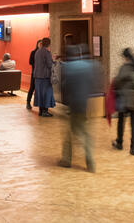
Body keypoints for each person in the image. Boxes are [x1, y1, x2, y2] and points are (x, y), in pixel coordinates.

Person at [59, 44, 100, 172]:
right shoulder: (89, 65)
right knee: (82, 131)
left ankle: (68, 160)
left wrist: (65, 104)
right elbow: (94, 83)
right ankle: (86, 160)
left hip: (74, 104)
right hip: (86, 103)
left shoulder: (67, 68)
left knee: (74, 132)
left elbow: (64, 88)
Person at [112, 48, 134, 156]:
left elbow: (117, 82)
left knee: (121, 121)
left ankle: (119, 142)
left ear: (125, 57)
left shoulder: (124, 68)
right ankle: (133, 148)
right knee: (133, 124)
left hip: (123, 98)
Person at [33, 37, 56, 117]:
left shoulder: (37, 52)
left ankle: (40, 111)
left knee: (39, 94)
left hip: (37, 77)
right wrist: (53, 60)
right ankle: (45, 111)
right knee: (47, 94)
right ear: (49, 44)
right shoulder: (47, 52)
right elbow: (49, 65)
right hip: (45, 77)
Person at [26, 40, 42, 110]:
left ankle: (40, 104)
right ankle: (28, 103)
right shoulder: (33, 52)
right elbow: (30, 62)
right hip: (34, 73)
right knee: (32, 88)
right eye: (40, 44)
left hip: (41, 74)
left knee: (40, 89)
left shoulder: (43, 53)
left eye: (42, 44)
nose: (41, 45)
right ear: (37, 44)